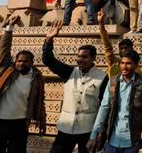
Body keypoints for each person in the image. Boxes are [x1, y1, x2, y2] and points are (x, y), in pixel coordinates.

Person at [0, 16, 46, 153]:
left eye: (25, 61)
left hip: (20, 123)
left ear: (31, 63)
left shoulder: (36, 77)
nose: (21, 63)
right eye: (19, 61)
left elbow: (40, 100)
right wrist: (9, 29)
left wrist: (42, 120)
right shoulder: (7, 70)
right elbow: (3, 50)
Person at [42, 21, 108, 153]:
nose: (80, 60)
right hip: (66, 127)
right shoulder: (70, 72)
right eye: (78, 56)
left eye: (84, 57)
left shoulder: (102, 77)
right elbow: (48, 60)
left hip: (88, 129)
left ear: (93, 58)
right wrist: (49, 40)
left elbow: (104, 106)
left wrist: (101, 132)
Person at [87, 49, 142, 153]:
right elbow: (104, 107)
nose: (124, 67)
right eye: (122, 63)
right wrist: (93, 135)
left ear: (135, 65)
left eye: (128, 63)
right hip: (112, 139)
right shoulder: (112, 81)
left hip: (132, 140)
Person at [98, 10, 140, 78]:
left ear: (131, 49)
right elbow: (106, 44)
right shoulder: (113, 62)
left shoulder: (135, 66)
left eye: (126, 48)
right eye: (121, 48)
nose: (123, 50)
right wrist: (101, 22)